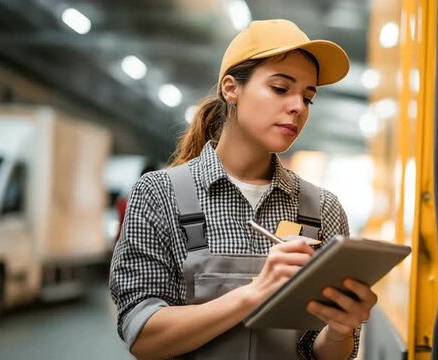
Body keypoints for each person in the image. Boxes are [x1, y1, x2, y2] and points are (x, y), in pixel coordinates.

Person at [109, 19, 375, 359]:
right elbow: (142, 335)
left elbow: (318, 353)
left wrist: (341, 329)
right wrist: (255, 293)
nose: (298, 107)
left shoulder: (322, 209)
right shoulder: (159, 194)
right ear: (231, 88)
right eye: (281, 88)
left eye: (308, 97)